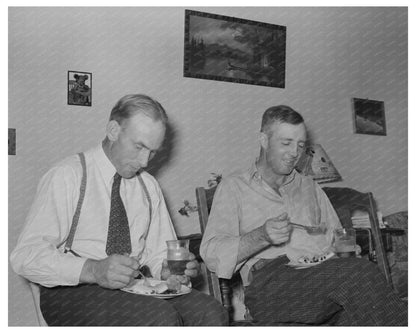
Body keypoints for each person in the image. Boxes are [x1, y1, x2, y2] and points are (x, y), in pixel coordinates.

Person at [10, 94, 228, 326]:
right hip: (71, 291)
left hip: (134, 288)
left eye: (153, 151)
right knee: (158, 317)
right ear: (114, 130)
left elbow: (158, 254)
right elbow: (25, 257)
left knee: (210, 311)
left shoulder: (148, 186)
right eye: (139, 146)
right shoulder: (68, 176)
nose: (145, 161)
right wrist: (93, 270)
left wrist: (168, 271)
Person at [200, 105, 407, 326]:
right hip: (272, 285)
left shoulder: (310, 187)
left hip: (322, 279)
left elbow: (336, 237)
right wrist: (261, 236)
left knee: (359, 310)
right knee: (361, 275)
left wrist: (343, 249)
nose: (294, 153)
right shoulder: (234, 187)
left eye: (300, 145)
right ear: (263, 140)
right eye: (286, 143)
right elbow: (212, 255)